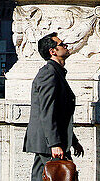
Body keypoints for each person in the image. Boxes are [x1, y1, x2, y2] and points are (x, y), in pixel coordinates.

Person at [24, 33, 83, 181]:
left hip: (48, 140)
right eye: (62, 44)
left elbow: (60, 114)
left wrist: (73, 141)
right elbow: (47, 111)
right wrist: (55, 144)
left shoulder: (56, 73)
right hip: (49, 142)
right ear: (53, 51)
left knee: (41, 177)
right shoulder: (49, 73)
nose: (66, 46)